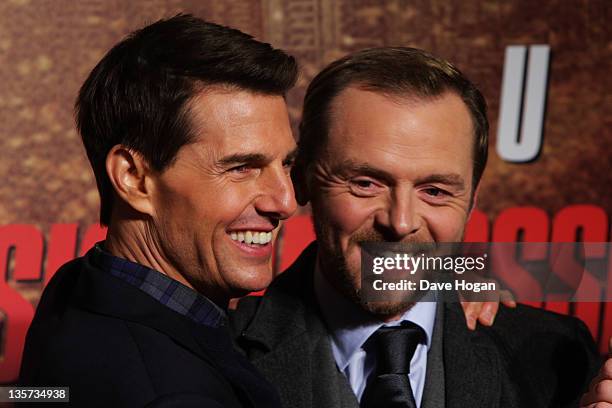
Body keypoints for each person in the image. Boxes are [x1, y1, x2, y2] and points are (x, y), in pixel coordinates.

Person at [231, 47, 604, 408]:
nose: (401, 223)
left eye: (435, 191)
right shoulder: (222, 350)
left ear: (471, 202)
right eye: (366, 183)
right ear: (303, 181)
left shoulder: (557, 359)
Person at [19, 14, 299, 407]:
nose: (285, 202)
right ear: (133, 177)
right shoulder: (171, 394)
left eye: (285, 164)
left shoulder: (83, 285)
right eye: (241, 168)